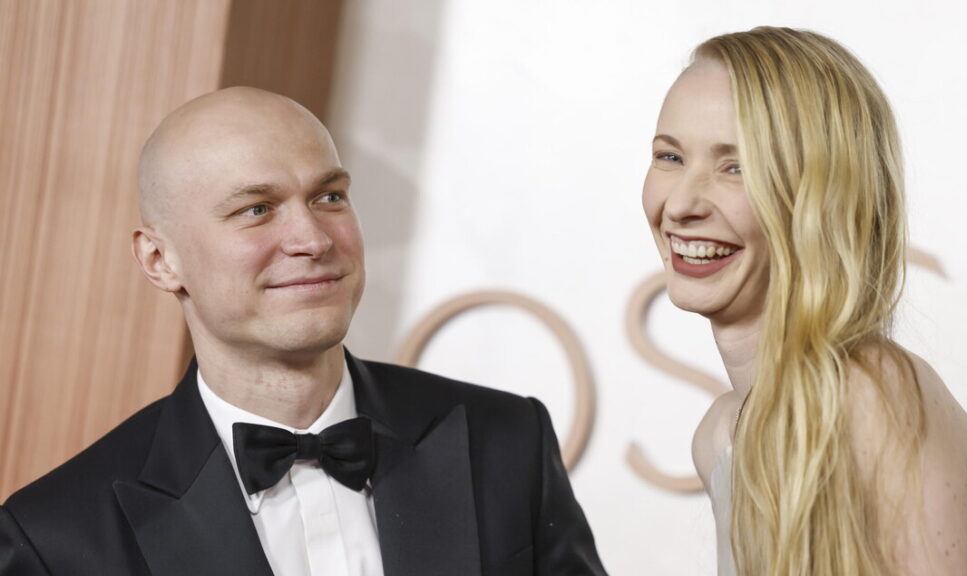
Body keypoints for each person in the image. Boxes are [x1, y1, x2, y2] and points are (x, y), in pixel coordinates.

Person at [0, 87, 607, 576]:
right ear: (160, 260)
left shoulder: (506, 442)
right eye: (256, 209)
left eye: (329, 197)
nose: (313, 239)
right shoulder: (56, 538)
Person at [641, 27, 967, 576]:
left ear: (822, 197)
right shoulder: (719, 435)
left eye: (736, 167)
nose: (680, 205)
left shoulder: (871, 392)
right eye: (670, 156)